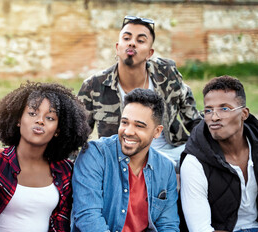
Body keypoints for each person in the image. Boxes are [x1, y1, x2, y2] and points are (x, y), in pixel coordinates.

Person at [77, 15, 201, 168]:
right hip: (120, 162)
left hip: (171, 155)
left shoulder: (167, 73)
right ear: (117, 47)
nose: (132, 43)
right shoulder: (94, 85)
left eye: (140, 40)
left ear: (150, 53)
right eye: (127, 38)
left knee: (195, 159)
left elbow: (193, 118)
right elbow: (76, 134)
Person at [0, 81, 90, 232]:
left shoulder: (65, 170)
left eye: (50, 117)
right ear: (18, 120)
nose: (40, 121)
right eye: (32, 113)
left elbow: (60, 227)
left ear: (58, 129)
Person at [71, 88, 179, 232]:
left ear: (157, 131)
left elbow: (168, 226)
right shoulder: (95, 154)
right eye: (125, 122)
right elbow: (88, 215)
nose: (128, 131)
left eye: (139, 126)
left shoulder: (165, 168)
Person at [180, 75, 258, 232]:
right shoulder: (194, 162)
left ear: (244, 113)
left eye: (224, 108)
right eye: (208, 110)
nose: (214, 117)